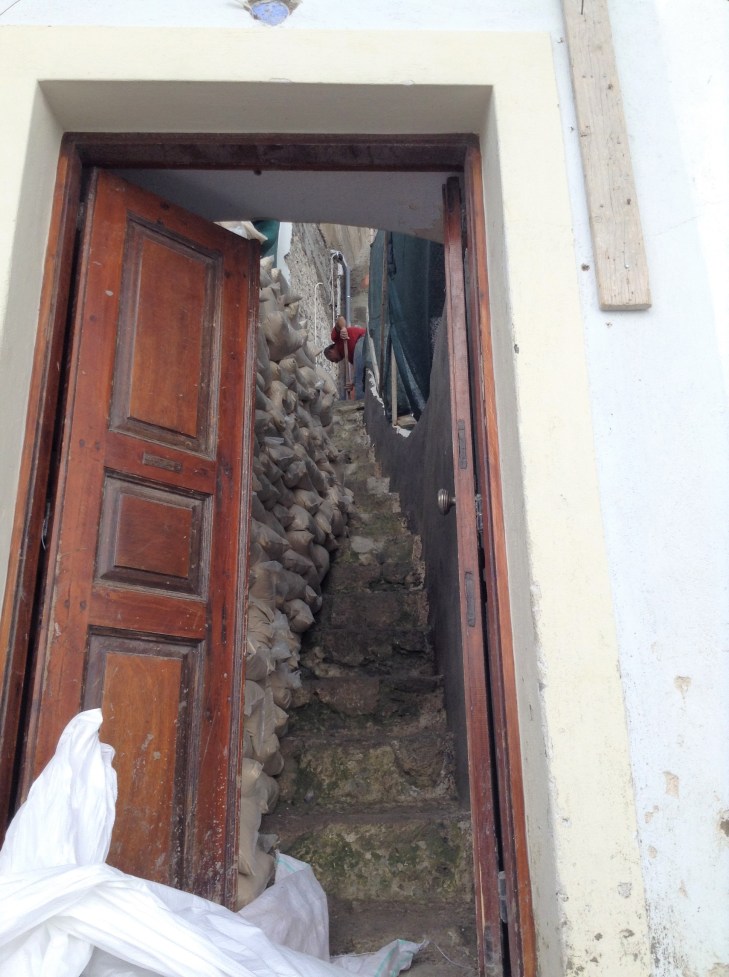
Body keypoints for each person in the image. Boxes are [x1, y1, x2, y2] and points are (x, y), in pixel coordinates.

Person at [323, 315, 366, 400]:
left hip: (364, 339)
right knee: (361, 378)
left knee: (359, 379)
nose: (336, 362)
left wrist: (343, 328)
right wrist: (353, 383)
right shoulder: (350, 358)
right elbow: (359, 369)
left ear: (331, 351)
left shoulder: (336, 338)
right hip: (364, 353)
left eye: (332, 359)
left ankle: (360, 402)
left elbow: (340, 319)